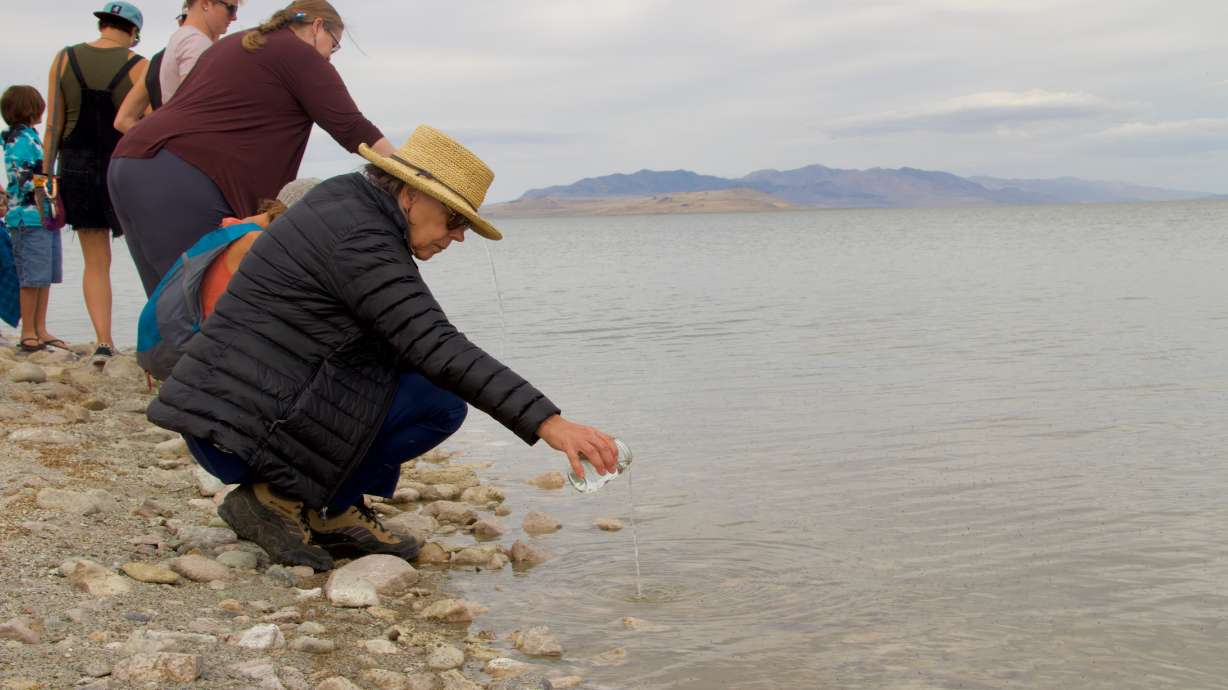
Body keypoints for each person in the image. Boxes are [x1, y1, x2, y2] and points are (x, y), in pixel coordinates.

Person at [147, 126, 620, 570]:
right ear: (411, 193)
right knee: (437, 405)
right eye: (454, 219)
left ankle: (330, 507)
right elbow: (434, 342)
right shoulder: (361, 240)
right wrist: (550, 423)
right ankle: (281, 502)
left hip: (229, 418)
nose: (457, 236)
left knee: (405, 374)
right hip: (234, 434)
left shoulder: (344, 203)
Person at [110, 0, 396, 296]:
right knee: (210, 303)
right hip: (183, 176)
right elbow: (352, 127)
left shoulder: (233, 44)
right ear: (317, 26)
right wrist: (411, 172)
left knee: (168, 306)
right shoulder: (299, 53)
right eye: (333, 47)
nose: (329, 59)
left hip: (129, 163)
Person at [44, 1, 146, 365]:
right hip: (121, 167)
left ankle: (104, 342)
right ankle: (154, 337)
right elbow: (147, 123)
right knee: (144, 252)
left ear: (103, 24)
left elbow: (54, 122)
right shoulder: (139, 65)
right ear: (132, 33)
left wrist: (46, 174)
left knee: (95, 261)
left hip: (74, 165)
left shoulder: (64, 58)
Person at [3, 86, 65, 353]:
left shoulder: (32, 137)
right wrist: (54, 183)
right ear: (31, 109)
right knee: (31, 277)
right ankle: (28, 330)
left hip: (43, 215)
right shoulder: (18, 140)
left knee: (45, 274)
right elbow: (23, 177)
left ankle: (40, 327)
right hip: (26, 217)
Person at [114, 5, 189, 132]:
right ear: (133, 32)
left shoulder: (156, 61)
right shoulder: (141, 63)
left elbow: (123, 121)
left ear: (180, 22)